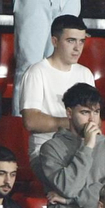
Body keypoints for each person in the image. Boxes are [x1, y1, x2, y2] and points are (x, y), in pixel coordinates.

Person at [32, 84, 105, 208]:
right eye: (85, 112)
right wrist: (88, 146)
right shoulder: (51, 148)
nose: (92, 119)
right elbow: (68, 187)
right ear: (69, 113)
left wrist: (70, 200)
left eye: (96, 112)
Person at [16, 14, 92, 161]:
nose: (77, 48)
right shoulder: (36, 72)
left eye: (81, 41)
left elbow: (95, 119)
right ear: (54, 41)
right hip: (46, 148)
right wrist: (74, 122)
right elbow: (31, 121)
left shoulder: (85, 73)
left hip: (79, 147)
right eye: (71, 41)